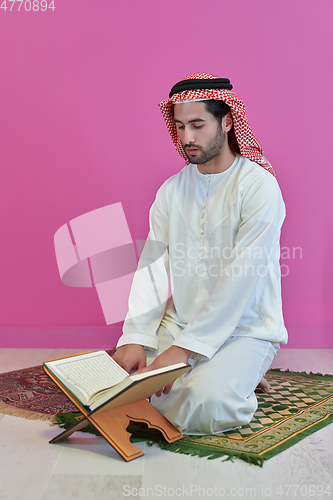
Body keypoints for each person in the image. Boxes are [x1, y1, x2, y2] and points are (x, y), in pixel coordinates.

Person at [113, 73, 288, 435]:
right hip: (181, 322)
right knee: (119, 384)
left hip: (246, 329)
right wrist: (136, 336)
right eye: (179, 126)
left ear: (227, 122)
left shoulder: (259, 188)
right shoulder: (172, 191)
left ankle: (233, 375)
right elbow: (153, 268)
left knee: (205, 406)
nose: (187, 138)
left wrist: (182, 352)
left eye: (197, 125)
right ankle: (227, 376)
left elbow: (240, 280)